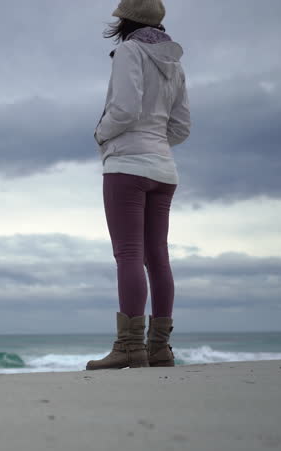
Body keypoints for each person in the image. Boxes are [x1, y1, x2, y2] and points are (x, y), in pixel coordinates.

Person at [86, 0, 190, 370]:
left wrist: (101, 134)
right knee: (157, 257)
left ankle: (130, 347)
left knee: (128, 254)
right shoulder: (173, 62)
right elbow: (181, 126)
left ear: (124, 20)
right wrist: (156, 143)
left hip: (127, 166)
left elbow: (125, 109)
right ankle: (159, 349)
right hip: (164, 170)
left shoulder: (130, 51)